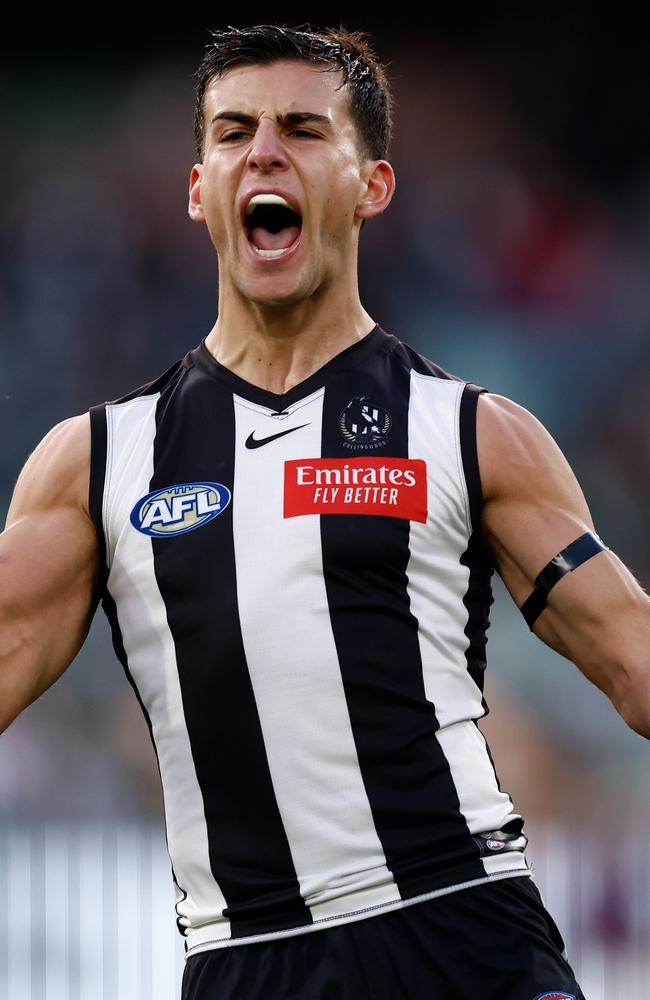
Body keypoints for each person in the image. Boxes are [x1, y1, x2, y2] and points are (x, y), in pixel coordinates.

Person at [1, 22, 648, 1000]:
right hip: (247, 962)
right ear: (196, 189)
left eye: (302, 128)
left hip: (463, 937)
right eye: (231, 132)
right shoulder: (94, 463)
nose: (263, 150)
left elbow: (633, 662)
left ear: (369, 185)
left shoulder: (472, 432)